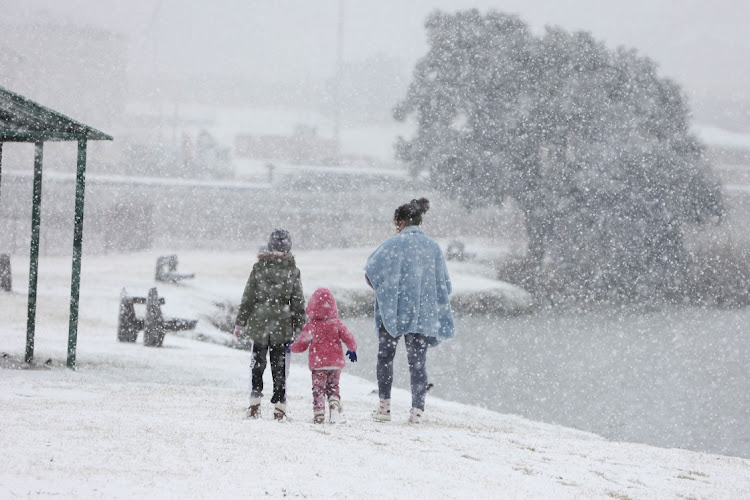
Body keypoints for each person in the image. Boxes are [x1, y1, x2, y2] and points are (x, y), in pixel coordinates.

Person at [365, 198, 455, 424]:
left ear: (402, 222)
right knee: (418, 363)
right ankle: (417, 413)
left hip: (392, 313)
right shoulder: (433, 248)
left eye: (396, 222)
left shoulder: (391, 245)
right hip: (422, 316)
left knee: (385, 358)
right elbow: (446, 284)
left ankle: (384, 409)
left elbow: (370, 272)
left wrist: (387, 291)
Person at [234, 229, 306, 421]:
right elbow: (298, 302)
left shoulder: (259, 267)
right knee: (279, 367)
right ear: (288, 247)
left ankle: (254, 405)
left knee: (257, 365)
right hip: (282, 326)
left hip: (259, 323)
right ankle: (279, 408)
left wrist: (241, 322)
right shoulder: (292, 271)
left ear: (269, 246)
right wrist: (300, 327)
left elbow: (247, 298)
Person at [290, 287, 358, 424]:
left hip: (319, 364)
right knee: (333, 387)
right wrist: (352, 349)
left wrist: (291, 347)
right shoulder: (336, 323)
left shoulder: (311, 326)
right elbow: (349, 337)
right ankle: (334, 404)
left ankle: (319, 413)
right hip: (335, 363)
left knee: (318, 389)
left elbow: (302, 344)